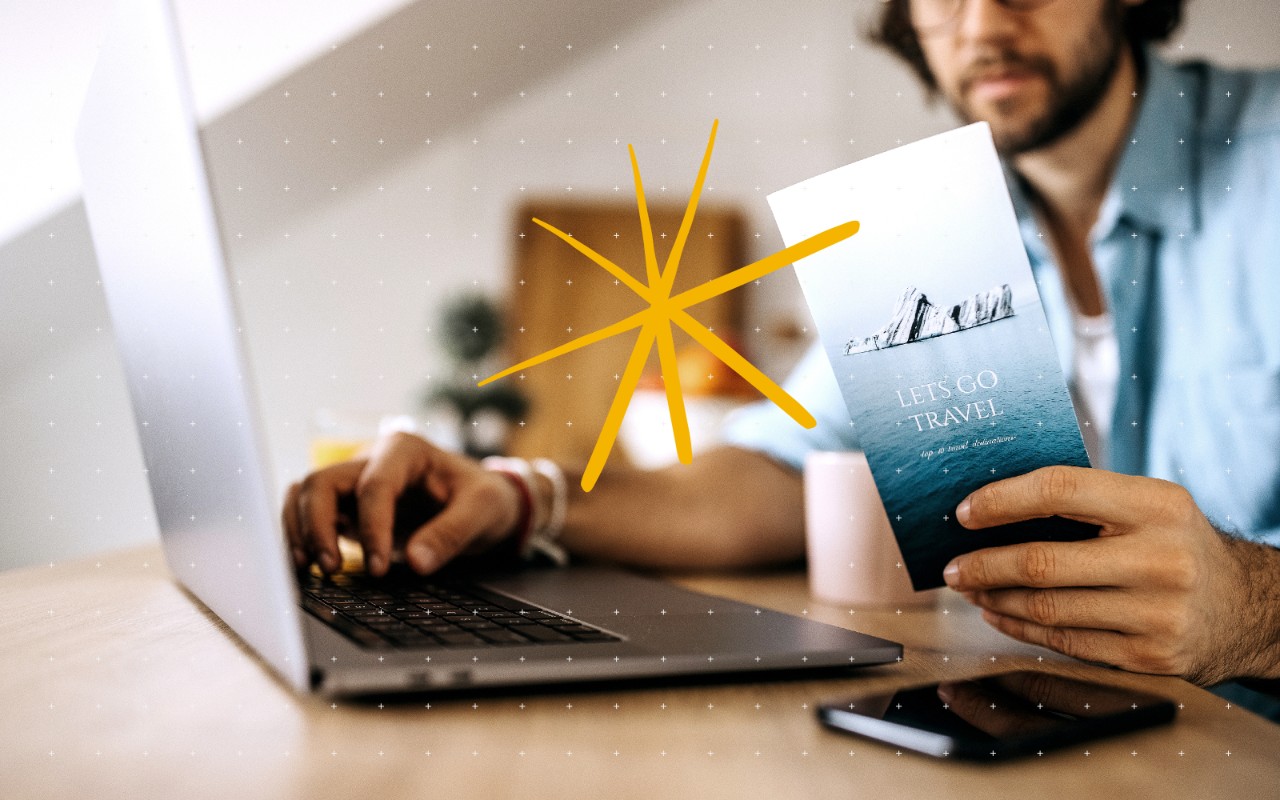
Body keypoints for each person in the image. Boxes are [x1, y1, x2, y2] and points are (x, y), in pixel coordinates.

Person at [284, 0, 1280, 689]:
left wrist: (1251, 609)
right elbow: (782, 470)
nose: (980, 24)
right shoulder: (925, 232)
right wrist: (519, 496)